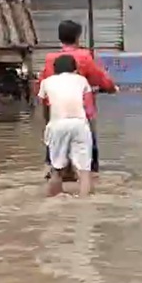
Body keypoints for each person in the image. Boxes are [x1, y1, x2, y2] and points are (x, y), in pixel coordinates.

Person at [39, 20, 117, 176]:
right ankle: (90, 177)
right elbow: (100, 78)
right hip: (81, 114)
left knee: (53, 153)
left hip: (56, 114)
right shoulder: (84, 57)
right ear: (77, 37)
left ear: (59, 37)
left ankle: (53, 171)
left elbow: (42, 87)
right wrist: (111, 88)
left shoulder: (50, 59)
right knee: (89, 150)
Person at [38, 54, 94, 197]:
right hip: (79, 124)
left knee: (56, 168)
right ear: (75, 69)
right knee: (84, 170)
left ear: (55, 69)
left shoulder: (46, 82)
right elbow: (89, 108)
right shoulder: (82, 80)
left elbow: (42, 106)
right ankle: (84, 201)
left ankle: (55, 201)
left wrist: (47, 124)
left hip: (57, 124)